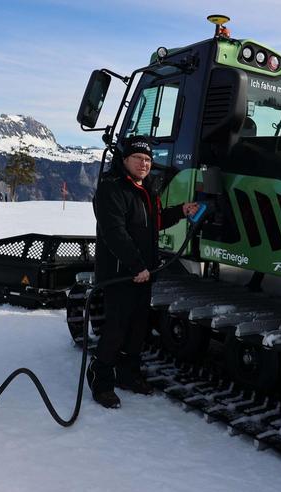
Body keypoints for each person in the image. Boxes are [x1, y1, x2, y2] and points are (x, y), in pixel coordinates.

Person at [90, 135, 198, 408]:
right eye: (138, 158)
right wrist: (136, 266)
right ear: (124, 160)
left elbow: (152, 223)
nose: (144, 163)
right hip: (121, 274)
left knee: (137, 328)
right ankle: (101, 379)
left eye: (148, 159)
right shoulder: (111, 189)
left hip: (143, 274)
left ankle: (128, 375)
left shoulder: (146, 190)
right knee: (116, 328)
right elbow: (115, 234)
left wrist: (182, 212)